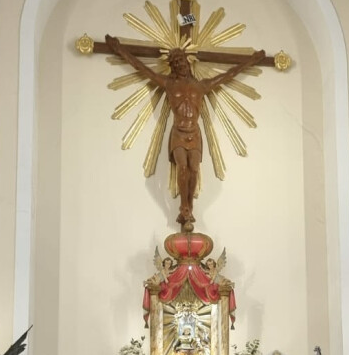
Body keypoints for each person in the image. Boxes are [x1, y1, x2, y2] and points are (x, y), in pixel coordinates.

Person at [104, 35, 266, 231]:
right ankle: (184, 205)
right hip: (178, 133)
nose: (181, 64)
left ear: (188, 62)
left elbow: (229, 75)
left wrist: (251, 61)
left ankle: (190, 206)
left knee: (195, 168)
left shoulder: (201, 86)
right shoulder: (169, 84)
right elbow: (142, 69)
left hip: (195, 132)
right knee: (182, 167)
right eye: (177, 62)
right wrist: (120, 50)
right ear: (172, 66)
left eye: (183, 61)